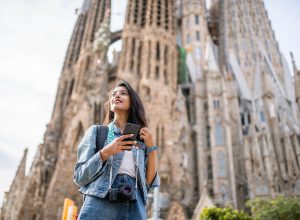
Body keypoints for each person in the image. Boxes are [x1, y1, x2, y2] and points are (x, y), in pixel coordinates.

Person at [74, 80, 160, 220]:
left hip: (134, 204)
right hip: (101, 202)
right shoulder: (97, 132)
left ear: (133, 102)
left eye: (123, 93)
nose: (117, 96)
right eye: (114, 94)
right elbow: (79, 177)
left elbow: (148, 184)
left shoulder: (140, 140)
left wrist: (152, 148)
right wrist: (106, 152)